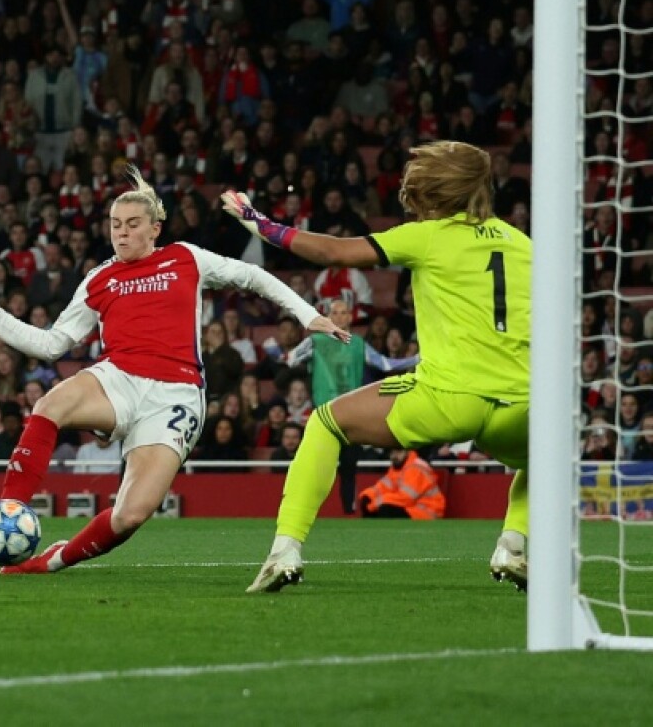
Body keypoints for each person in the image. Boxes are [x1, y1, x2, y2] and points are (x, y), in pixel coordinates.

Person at [0, 166, 348, 574]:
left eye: (133, 225)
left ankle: (50, 562)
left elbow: (254, 276)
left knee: (130, 515)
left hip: (176, 395)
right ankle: (3, 513)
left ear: (155, 229)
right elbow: (52, 345)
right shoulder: (100, 278)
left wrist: (308, 315)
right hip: (118, 378)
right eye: (116, 225)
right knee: (51, 403)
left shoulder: (186, 257)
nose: (122, 233)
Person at [222, 139, 531, 592]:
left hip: (447, 397)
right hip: (520, 404)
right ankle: (514, 544)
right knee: (545, 462)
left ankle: (284, 549)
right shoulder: (524, 244)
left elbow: (333, 252)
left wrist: (260, 224)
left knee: (326, 422)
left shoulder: (429, 236)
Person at [285, 298, 420, 512]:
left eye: (344, 312)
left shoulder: (358, 344)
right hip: (323, 414)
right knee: (315, 467)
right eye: (335, 313)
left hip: (351, 416)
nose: (339, 316)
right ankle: (303, 510)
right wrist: (273, 349)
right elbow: (290, 359)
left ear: (350, 317)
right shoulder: (315, 342)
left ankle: (348, 512)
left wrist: (417, 359)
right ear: (329, 317)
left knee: (348, 468)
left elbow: (385, 364)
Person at [358, 448, 446, 519]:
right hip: (411, 508)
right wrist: (367, 496)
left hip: (426, 511)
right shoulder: (398, 467)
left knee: (385, 509)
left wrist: (376, 503)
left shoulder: (415, 468)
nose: (394, 456)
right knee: (372, 506)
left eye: (398, 452)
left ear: (407, 451)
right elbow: (382, 486)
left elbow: (406, 498)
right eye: (392, 452)